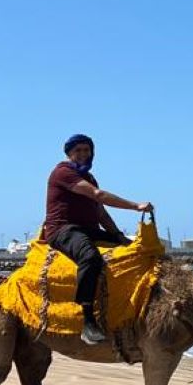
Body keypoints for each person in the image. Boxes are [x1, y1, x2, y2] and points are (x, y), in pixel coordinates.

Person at [42, 135, 154, 345]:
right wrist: (135, 206)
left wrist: (119, 236)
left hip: (89, 230)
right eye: (78, 150)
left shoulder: (89, 178)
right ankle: (87, 319)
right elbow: (98, 195)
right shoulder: (63, 172)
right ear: (69, 153)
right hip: (63, 230)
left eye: (87, 150)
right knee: (90, 258)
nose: (83, 154)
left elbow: (100, 213)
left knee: (134, 250)